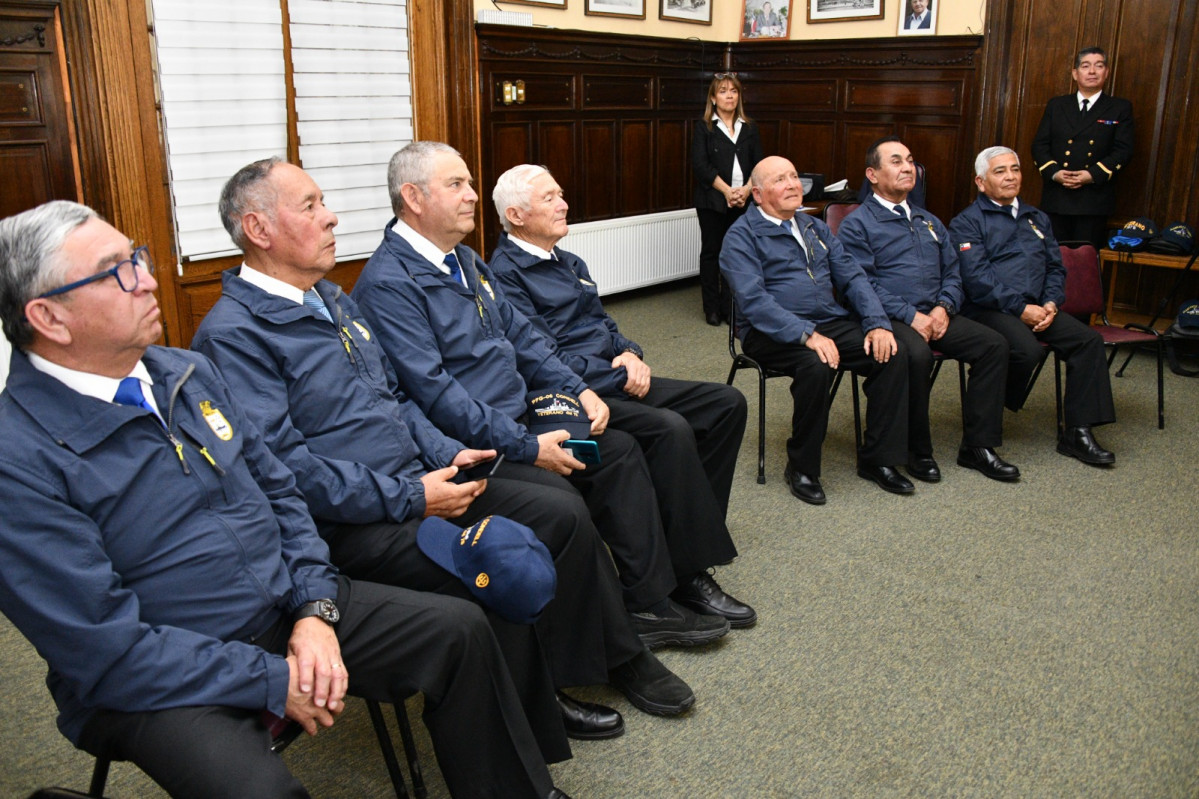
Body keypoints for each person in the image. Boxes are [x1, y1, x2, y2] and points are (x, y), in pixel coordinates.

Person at [0, 200, 571, 799]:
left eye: (136, 258)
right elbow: (104, 648)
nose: (146, 279)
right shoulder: (19, 459)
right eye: (116, 271)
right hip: (160, 675)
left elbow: (280, 492)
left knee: (463, 630)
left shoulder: (184, 373)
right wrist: (275, 678)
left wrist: (315, 610)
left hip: (282, 611)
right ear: (50, 318)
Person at [192, 158, 693, 737]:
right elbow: (289, 470)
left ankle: (609, 653)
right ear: (258, 230)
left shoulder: (331, 299)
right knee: (527, 528)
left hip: (425, 469)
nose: (331, 218)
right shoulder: (235, 334)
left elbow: (398, 397)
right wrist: (415, 492)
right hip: (358, 517)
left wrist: (443, 451)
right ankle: (539, 693)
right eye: (310, 206)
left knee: (567, 506)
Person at [352, 142, 729, 671]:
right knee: (573, 493)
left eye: (469, 182)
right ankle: (619, 632)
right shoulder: (389, 284)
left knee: (618, 450)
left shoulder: (464, 259)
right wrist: (527, 447)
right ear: (413, 198)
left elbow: (524, 339)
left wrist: (577, 387)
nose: (472, 195)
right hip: (477, 439)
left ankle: (649, 601)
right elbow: (436, 393)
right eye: (457, 185)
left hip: (525, 411)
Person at [488, 163, 756, 628]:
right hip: (569, 396)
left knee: (725, 405)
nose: (564, 204)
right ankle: (689, 572)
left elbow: (605, 327)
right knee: (669, 429)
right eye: (550, 198)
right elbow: (537, 356)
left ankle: (681, 538)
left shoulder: (570, 262)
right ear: (515, 215)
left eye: (561, 193)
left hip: (615, 377)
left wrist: (630, 352)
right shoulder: (504, 275)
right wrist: (611, 374)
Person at [720, 155, 911, 504]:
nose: (793, 184)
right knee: (815, 364)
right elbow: (754, 301)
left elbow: (853, 277)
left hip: (829, 321)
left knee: (891, 352)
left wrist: (878, 323)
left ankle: (879, 460)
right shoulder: (740, 236)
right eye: (781, 180)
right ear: (759, 195)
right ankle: (803, 467)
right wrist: (806, 334)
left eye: (794, 176)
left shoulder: (814, 227)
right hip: (769, 332)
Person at [837, 137, 1019, 483]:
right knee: (915, 354)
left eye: (909, 160)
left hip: (936, 313)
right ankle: (913, 451)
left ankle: (978, 447)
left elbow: (954, 272)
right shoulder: (857, 224)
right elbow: (860, 285)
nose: (907, 167)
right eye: (895, 161)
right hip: (887, 317)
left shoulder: (929, 220)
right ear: (872, 174)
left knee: (994, 346)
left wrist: (943, 307)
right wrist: (911, 316)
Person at [949, 146, 1116, 465]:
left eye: (1015, 169)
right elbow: (977, 279)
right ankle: (981, 433)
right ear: (981, 182)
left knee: (1088, 341)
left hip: (1039, 307)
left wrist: (1052, 302)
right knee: (1026, 349)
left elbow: (1056, 267)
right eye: (1000, 171)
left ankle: (1077, 432)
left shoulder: (1037, 217)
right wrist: (1021, 309)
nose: (1010, 176)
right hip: (989, 308)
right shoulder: (967, 222)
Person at [1031, 46, 1134, 250]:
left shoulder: (1119, 108)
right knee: (1054, 262)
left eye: (1099, 66)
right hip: (1057, 198)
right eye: (1086, 66)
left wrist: (1092, 175)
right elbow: (1039, 145)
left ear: (1106, 72)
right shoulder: (1057, 105)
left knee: (1084, 267)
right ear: (1075, 73)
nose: (1092, 71)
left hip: (1093, 200)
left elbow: (1123, 150)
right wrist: (1054, 173)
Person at [691, 72, 763, 326]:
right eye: (723, 91)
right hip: (712, 200)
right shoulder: (704, 127)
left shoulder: (749, 127)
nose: (729, 95)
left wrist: (745, 190)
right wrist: (726, 191)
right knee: (712, 253)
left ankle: (729, 307)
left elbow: (759, 164)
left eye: (733, 91)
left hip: (743, 201)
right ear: (713, 97)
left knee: (737, 254)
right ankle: (711, 308)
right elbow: (700, 166)